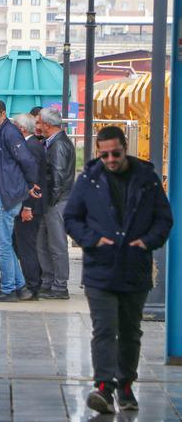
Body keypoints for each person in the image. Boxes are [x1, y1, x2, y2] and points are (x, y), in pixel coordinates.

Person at [64, 126, 172, 414]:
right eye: (104, 155)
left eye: (116, 153)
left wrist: (146, 242)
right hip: (101, 267)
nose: (110, 159)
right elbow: (72, 218)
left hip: (135, 268)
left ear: (125, 148)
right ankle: (103, 386)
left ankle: (125, 385)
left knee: (129, 332)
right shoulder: (89, 179)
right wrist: (91, 240)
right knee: (104, 329)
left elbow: (164, 219)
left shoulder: (146, 179)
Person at [0, 100, 40, 302]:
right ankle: (20, 286)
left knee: (2, 246)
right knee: (5, 244)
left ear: (3, 114)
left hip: (2, 195)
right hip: (0, 195)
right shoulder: (1, 133)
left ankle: (8, 289)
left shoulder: (9, 133)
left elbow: (27, 160)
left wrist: (30, 183)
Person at [36, 107, 76, 299]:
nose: (38, 126)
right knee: (44, 242)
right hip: (53, 200)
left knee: (57, 244)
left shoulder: (58, 145)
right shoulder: (54, 142)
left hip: (56, 201)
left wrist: (49, 201)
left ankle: (60, 286)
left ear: (47, 124)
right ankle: (49, 281)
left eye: (39, 122)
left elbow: (58, 177)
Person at [10, 113, 46, 301]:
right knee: (22, 244)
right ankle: (30, 282)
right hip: (28, 204)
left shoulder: (30, 147)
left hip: (29, 206)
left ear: (21, 129)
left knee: (26, 247)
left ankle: (32, 286)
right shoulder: (33, 145)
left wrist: (27, 207)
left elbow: (34, 180)